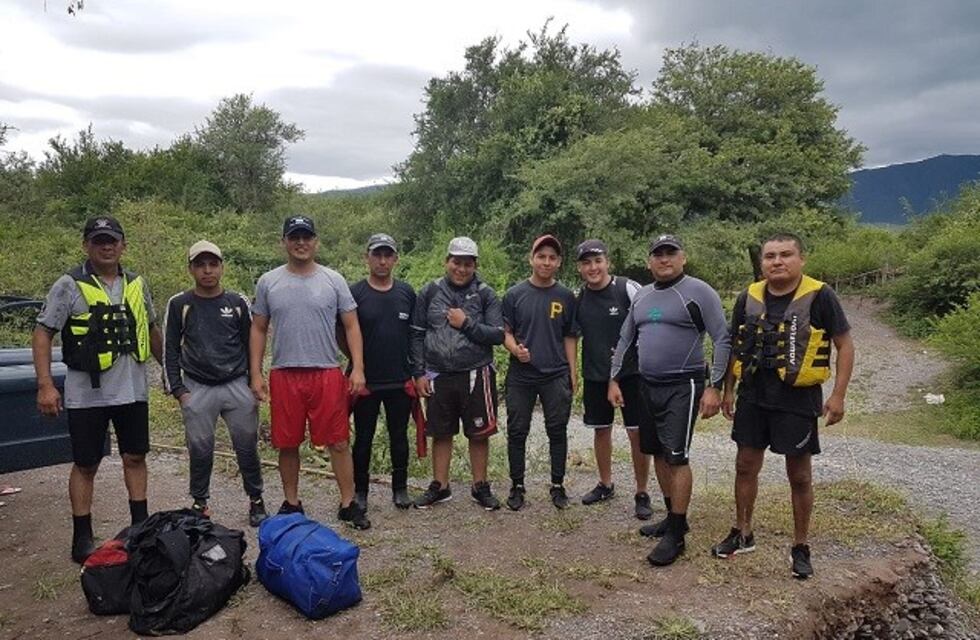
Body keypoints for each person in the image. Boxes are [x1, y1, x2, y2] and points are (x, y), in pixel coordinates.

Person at [713, 232, 854, 580]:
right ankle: (743, 532)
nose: (777, 261)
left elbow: (845, 345)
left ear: (801, 259)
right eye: (770, 256)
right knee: (745, 465)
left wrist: (838, 395)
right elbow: (735, 344)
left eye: (786, 254)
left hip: (797, 398)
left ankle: (800, 545)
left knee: (800, 474)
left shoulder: (820, 295)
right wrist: (728, 390)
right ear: (762, 262)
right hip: (753, 395)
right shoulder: (749, 296)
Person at [32, 215, 163, 563]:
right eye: (98, 241)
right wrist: (45, 385)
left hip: (132, 389)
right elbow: (43, 332)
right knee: (86, 463)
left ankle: (140, 528)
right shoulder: (69, 285)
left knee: (135, 457)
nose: (106, 247)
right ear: (86, 245)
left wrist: (171, 372)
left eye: (112, 240)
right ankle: (82, 537)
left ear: (123, 245)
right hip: (86, 393)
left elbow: (151, 329)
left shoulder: (137, 284)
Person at [610, 234, 730, 567]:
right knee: (657, 452)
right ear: (649, 261)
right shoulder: (643, 296)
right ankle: (672, 516)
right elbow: (625, 339)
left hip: (684, 384)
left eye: (670, 253)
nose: (664, 259)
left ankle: (676, 534)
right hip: (647, 384)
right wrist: (614, 379)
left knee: (676, 456)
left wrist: (715, 386)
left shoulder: (699, 291)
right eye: (658, 254)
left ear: (682, 257)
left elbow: (722, 338)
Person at [249, 215, 370, 529]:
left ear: (315, 241)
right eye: (294, 237)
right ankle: (291, 502)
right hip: (285, 373)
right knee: (287, 442)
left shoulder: (333, 280)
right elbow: (258, 328)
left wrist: (358, 367)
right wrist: (256, 373)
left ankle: (348, 503)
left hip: (326, 371)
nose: (300, 243)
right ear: (284, 242)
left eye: (306, 237)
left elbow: (351, 325)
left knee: (338, 441)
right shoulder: (268, 281)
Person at [162, 240, 267, 527]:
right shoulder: (180, 304)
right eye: (200, 265)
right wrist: (178, 390)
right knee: (200, 448)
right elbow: (170, 348)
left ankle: (256, 500)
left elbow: (253, 342)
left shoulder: (237, 302)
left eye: (213, 264)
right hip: (197, 387)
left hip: (237, 384)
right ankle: (200, 503)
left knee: (247, 446)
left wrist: (254, 380)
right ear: (191, 269)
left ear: (222, 267)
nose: (207, 270)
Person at [410, 237, 504, 510]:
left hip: (476, 372)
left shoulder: (486, 294)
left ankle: (480, 485)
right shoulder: (429, 291)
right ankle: (440, 486)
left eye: (467, 264)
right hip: (437, 374)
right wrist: (419, 372)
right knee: (441, 432)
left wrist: (466, 323)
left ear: (475, 265)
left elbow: (497, 335)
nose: (461, 269)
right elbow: (416, 334)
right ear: (446, 262)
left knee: (479, 433)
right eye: (456, 262)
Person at [573, 240, 653, 520]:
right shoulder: (579, 298)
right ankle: (605, 484)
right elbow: (571, 335)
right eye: (586, 263)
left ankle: (642, 491)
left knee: (636, 433)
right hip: (596, 374)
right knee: (601, 430)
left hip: (632, 374)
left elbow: (651, 319)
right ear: (579, 268)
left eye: (598, 261)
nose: (593, 267)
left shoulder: (627, 288)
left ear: (608, 262)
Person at [502, 235, 579, 511]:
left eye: (552, 258)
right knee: (517, 430)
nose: (546, 262)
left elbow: (570, 336)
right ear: (531, 259)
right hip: (521, 375)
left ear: (559, 262)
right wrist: (515, 349)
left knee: (557, 430)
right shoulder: (514, 294)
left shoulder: (566, 296)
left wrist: (573, 372)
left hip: (555, 373)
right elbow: (506, 332)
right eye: (541, 256)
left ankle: (557, 485)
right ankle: (517, 485)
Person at [348, 233, 417, 511]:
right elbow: (343, 330)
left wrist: (417, 371)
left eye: (388, 255)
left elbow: (415, 335)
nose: (382, 261)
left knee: (399, 435)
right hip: (365, 380)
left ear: (396, 259)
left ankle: (400, 488)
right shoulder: (355, 293)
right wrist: (355, 363)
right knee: (363, 437)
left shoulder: (406, 293)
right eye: (377, 255)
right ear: (367, 258)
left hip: (399, 378)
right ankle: (360, 490)